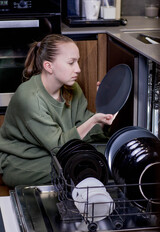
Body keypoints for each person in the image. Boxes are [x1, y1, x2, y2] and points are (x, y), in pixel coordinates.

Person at [0, 34, 116, 187]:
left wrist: (105, 110)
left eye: (78, 61)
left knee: (111, 153)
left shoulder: (72, 87)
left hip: (59, 151)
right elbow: (58, 145)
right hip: (25, 160)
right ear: (49, 66)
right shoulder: (29, 98)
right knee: (86, 166)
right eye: (71, 63)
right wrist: (94, 119)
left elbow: (85, 127)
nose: (78, 69)